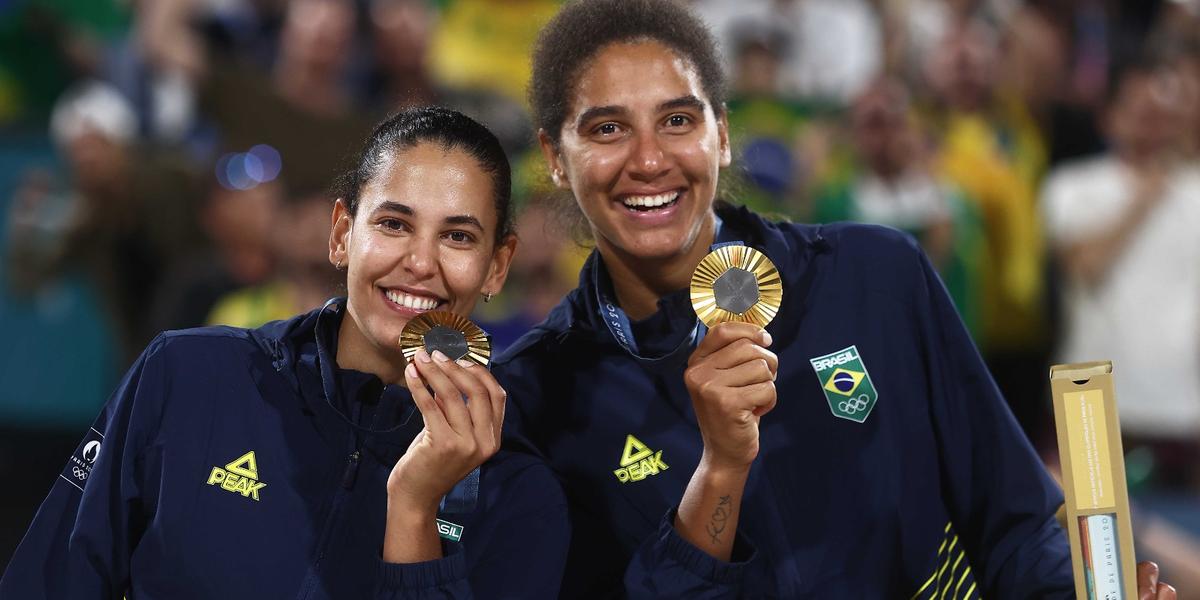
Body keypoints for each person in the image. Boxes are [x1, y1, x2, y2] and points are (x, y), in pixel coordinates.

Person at [493, 0, 1177, 597]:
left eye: (677, 119)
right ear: (556, 156)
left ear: (722, 134)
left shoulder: (877, 274)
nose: (648, 160)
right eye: (607, 128)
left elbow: (1016, 527)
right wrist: (720, 470)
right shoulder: (536, 398)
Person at [0, 107, 568, 598]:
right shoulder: (187, 375)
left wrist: (415, 507)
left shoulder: (519, 494)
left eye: (458, 236)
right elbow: (50, 582)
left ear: (498, 264)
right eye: (394, 223)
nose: (420, 262)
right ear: (342, 233)